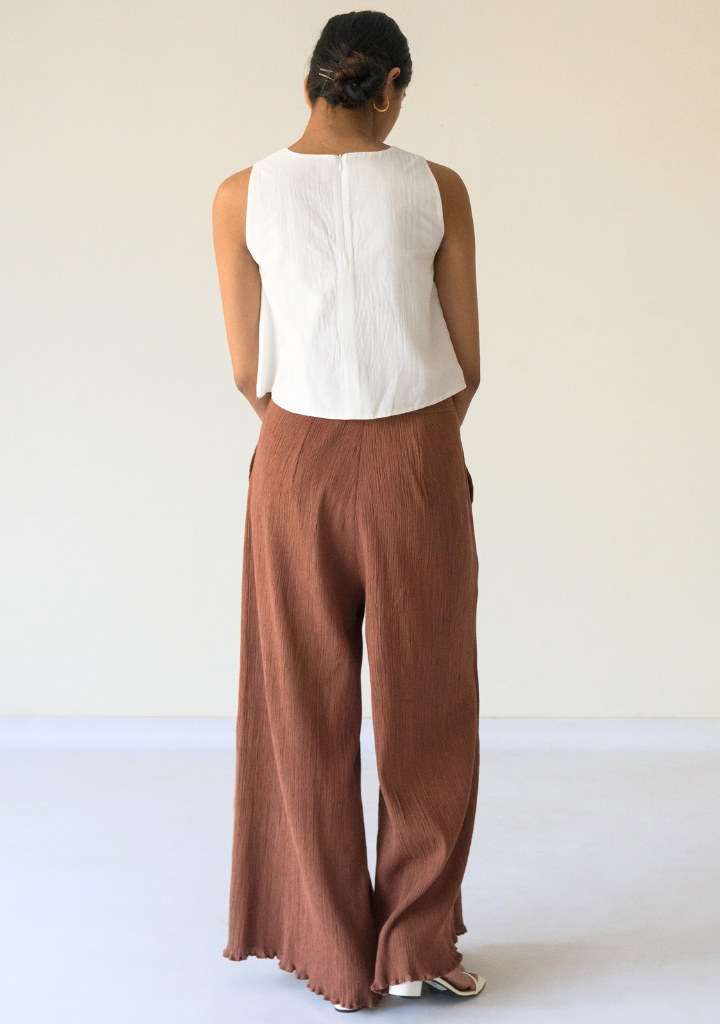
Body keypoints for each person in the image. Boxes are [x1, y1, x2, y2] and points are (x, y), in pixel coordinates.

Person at [212, 10, 483, 1013]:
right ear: (393, 87)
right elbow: (469, 359)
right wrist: (411, 439)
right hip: (417, 450)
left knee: (298, 700)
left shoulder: (240, 193)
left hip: (296, 457)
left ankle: (324, 948)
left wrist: (308, 435)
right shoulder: (437, 186)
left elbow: (246, 368)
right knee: (430, 699)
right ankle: (415, 946)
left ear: (311, 84)